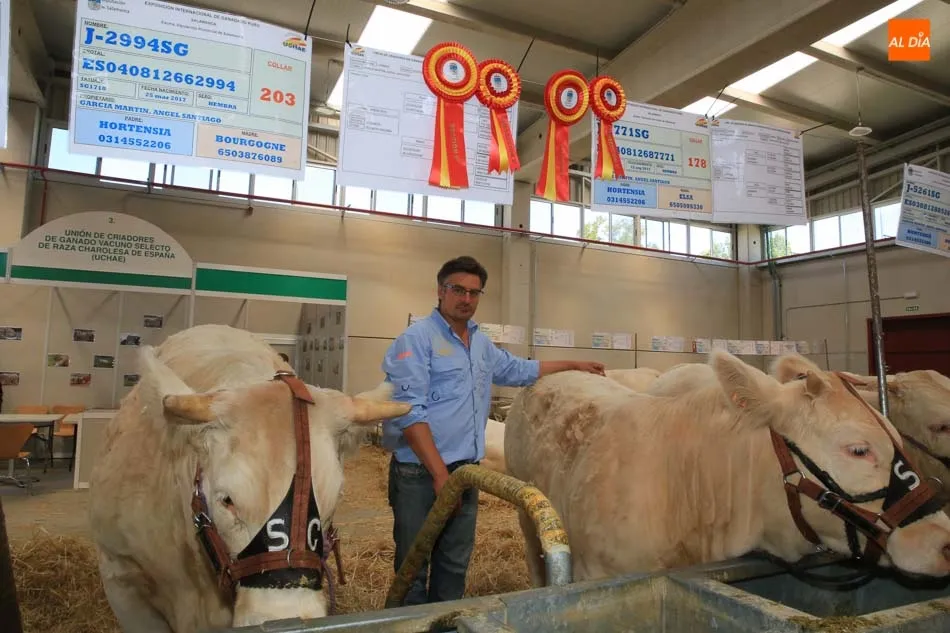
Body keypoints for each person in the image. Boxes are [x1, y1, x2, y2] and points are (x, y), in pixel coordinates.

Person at [380, 255, 605, 606]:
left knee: (454, 564)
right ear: (441, 291)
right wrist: (441, 476)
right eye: (458, 290)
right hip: (420, 474)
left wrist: (574, 364)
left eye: (474, 292)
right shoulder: (416, 339)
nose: (466, 299)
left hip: (467, 473)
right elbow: (411, 414)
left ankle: (446, 625)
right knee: (413, 563)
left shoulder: (480, 343)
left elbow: (520, 370)